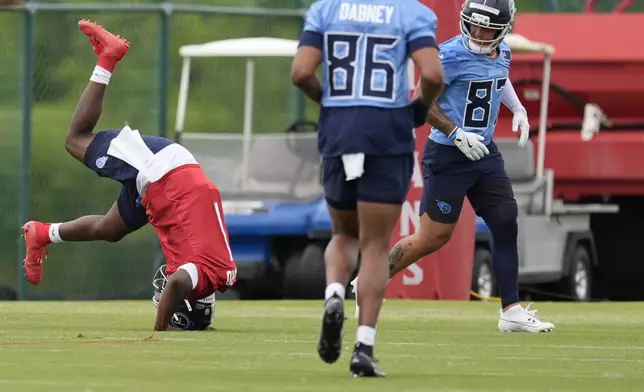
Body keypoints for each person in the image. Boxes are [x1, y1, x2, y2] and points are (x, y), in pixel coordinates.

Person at [352, 0, 555, 334]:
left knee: (506, 222)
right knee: (432, 237)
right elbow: (422, 101)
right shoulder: (449, 56)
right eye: (473, 24)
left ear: (503, 28)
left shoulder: (501, 51)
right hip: (448, 154)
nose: (478, 32)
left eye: (486, 27)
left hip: (485, 154)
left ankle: (512, 311)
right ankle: (370, 280)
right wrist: (456, 133)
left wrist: (518, 109)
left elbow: (499, 78)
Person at [21, 20, 237, 331]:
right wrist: (160, 330)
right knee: (75, 139)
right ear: (189, 302)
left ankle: (42, 233)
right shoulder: (199, 279)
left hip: (170, 183)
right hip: (161, 173)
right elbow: (177, 283)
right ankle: (108, 57)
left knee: (110, 228)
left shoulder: (225, 274)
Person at [291, 0, 444, 377]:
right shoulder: (410, 12)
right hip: (385, 132)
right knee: (375, 244)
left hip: (340, 130)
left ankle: (332, 296)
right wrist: (419, 107)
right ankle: (364, 346)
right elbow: (434, 75)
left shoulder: (325, 9)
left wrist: (330, 102)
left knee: (343, 234)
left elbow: (300, 73)